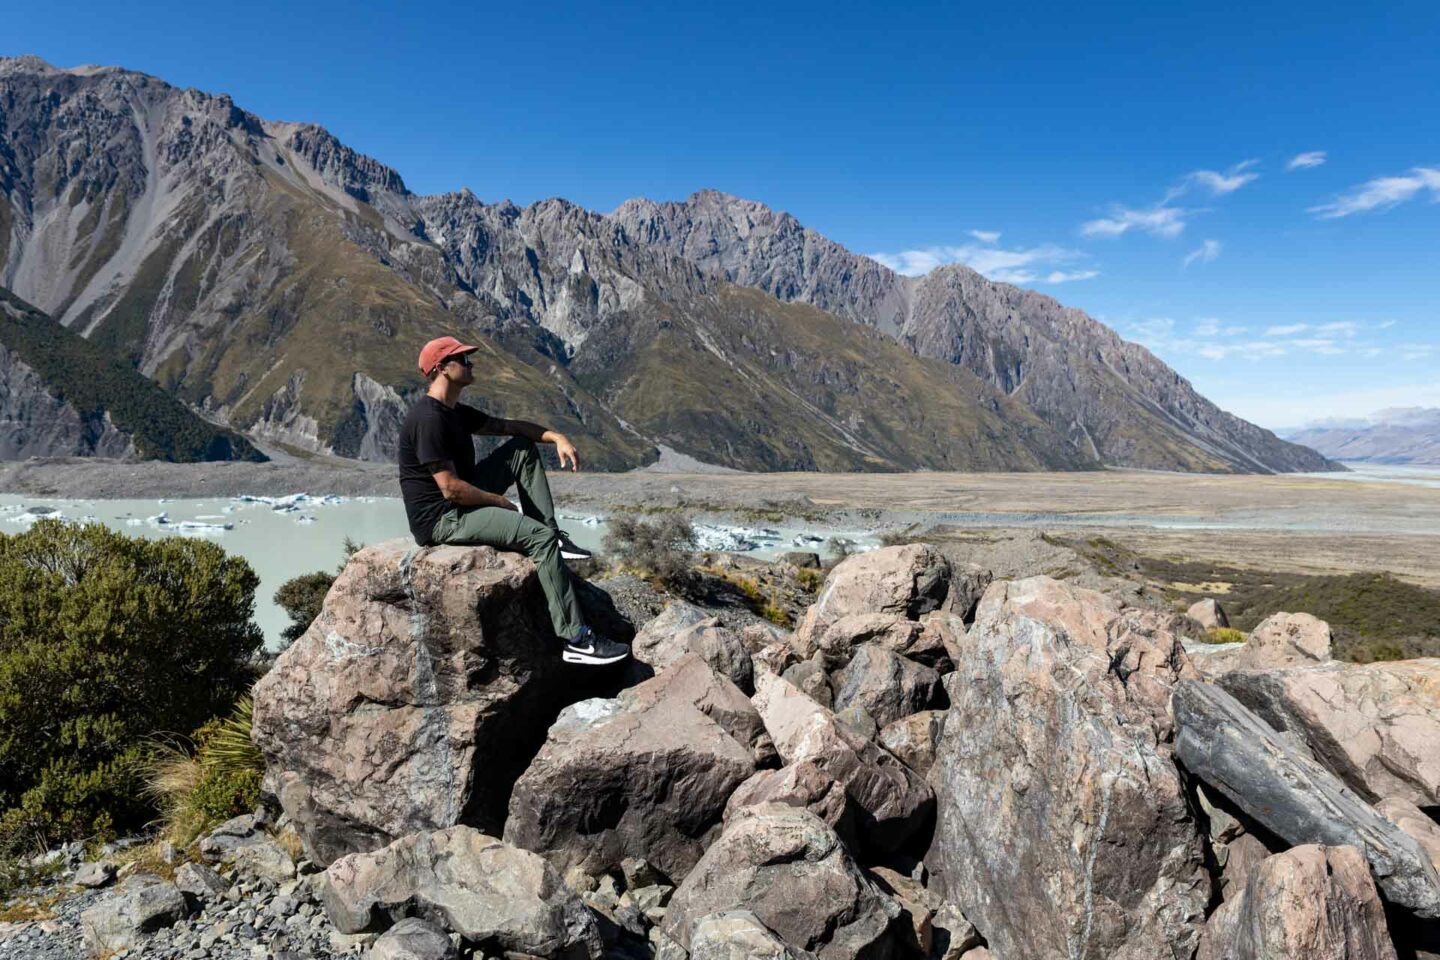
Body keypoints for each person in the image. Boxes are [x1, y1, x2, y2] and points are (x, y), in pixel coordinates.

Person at [397, 335, 631, 666]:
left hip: (459, 499)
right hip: (442, 518)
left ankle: (555, 538)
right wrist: (496, 501)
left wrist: (556, 437)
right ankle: (577, 639)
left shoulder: (453, 412)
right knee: (538, 539)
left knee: (522, 449)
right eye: (462, 359)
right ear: (442, 369)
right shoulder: (428, 419)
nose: (470, 363)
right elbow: (449, 488)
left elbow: (509, 427)